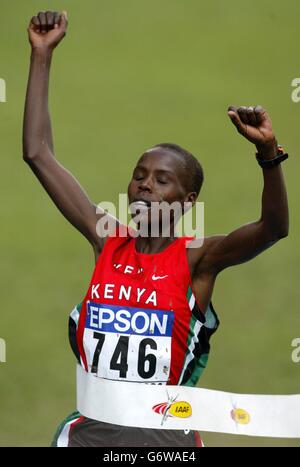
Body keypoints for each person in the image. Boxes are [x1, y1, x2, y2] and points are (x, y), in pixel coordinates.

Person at [23, 11, 289, 447]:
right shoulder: (107, 239)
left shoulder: (197, 260)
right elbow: (37, 153)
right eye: (140, 174)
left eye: (162, 180)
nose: (146, 183)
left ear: (187, 202)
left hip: (166, 444)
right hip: (88, 437)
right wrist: (41, 55)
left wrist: (268, 155)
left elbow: (273, 228)